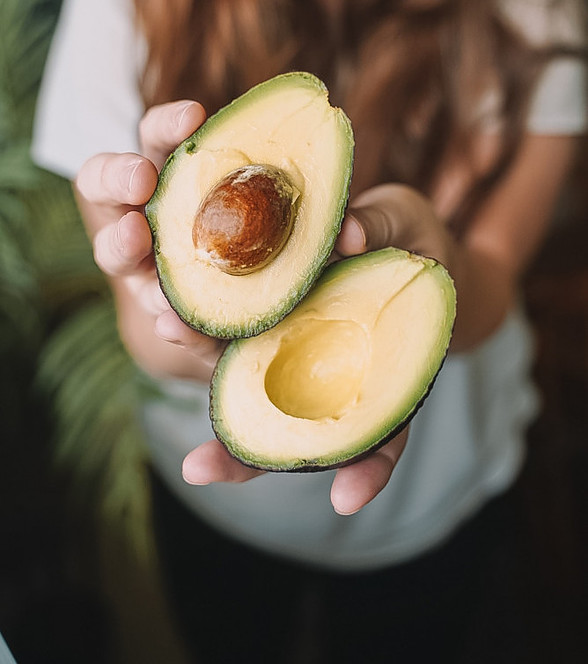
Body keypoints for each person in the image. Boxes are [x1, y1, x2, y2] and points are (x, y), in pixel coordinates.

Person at [32, 0, 587, 661]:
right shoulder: (127, 14)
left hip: (433, 498)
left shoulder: (537, 20)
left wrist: (443, 268)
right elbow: (145, 337)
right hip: (219, 507)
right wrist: (178, 316)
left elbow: (495, 280)